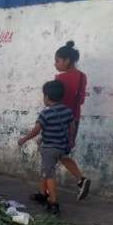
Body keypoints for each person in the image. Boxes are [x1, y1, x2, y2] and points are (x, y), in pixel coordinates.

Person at [17, 80, 75, 215]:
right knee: (46, 171)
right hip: (61, 146)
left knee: (49, 174)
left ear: (47, 97)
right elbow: (72, 126)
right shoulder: (67, 110)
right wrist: (71, 140)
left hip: (49, 149)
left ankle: (53, 202)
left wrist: (24, 139)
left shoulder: (46, 113)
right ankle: (42, 193)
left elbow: (36, 130)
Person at [54, 40, 91, 200]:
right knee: (62, 154)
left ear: (66, 61)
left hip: (58, 120)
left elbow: (55, 101)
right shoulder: (83, 77)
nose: (55, 64)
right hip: (74, 121)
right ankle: (79, 180)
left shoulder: (60, 78)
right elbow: (81, 101)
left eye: (57, 61)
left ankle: (47, 192)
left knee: (52, 154)